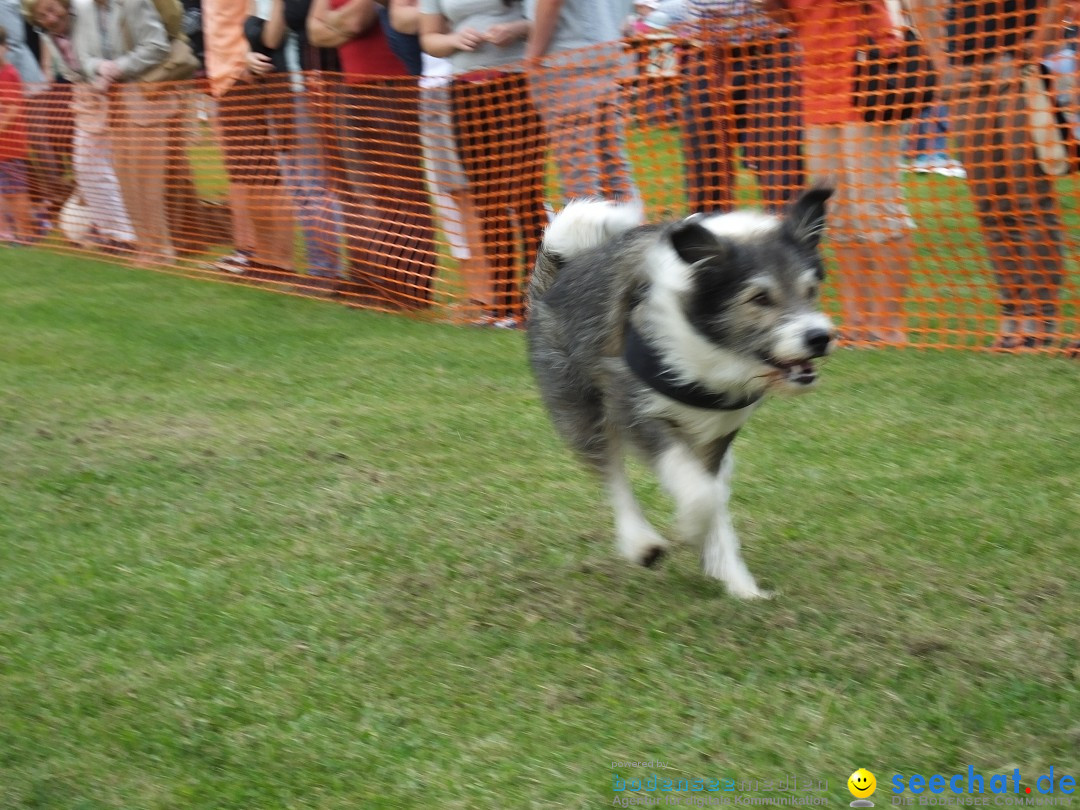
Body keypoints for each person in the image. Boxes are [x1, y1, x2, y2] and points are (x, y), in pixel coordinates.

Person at [908, 0, 1075, 352]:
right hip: (965, 69)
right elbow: (923, 5)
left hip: (1016, 66)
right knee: (989, 203)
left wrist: (1031, 52)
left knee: (1029, 197)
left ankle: (1042, 317)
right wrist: (943, 65)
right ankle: (1012, 314)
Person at [777, 0, 915, 345]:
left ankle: (889, 324)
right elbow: (784, 15)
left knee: (876, 208)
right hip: (818, 78)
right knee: (837, 214)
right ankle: (856, 321)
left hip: (871, 72)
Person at [419, 0, 548, 325]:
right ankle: (500, 306)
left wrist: (514, 29)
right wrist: (453, 41)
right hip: (464, 90)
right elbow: (430, 38)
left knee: (521, 194)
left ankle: (538, 301)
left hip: (516, 84)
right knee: (485, 199)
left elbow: (543, 18)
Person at [308, 0, 437, 309]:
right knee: (368, 193)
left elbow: (356, 21)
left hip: (395, 86)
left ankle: (410, 288)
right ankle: (377, 280)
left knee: (403, 192)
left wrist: (332, 21)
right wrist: (337, 21)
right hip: (352, 87)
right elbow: (314, 32)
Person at [247, 0, 344, 293]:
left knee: (315, 184)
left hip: (307, 88)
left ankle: (327, 270)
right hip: (279, 91)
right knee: (297, 186)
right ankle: (318, 266)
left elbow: (273, 35)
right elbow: (265, 38)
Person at [26, 0, 137, 254]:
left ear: (66, 6)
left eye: (53, 10)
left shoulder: (87, 15)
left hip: (113, 95)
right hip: (85, 100)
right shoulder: (49, 33)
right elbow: (71, 69)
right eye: (43, 15)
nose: (50, 18)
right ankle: (111, 232)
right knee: (86, 166)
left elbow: (108, 52)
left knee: (102, 167)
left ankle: (123, 234)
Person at [682, 0, 805, 213]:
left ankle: (788, 239)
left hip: (770, 49)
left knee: (778, 162)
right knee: (705, 165)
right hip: (708, 52)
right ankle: (706, 238)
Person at [203, 0, 295, 276]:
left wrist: (246, 56)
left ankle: (275, 259)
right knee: (244, 174)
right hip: (224, 79)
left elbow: (259, 13)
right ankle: (254, 254)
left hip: (245, 76)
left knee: (261, 174)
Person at [524, 0, 639, 202]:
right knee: (612, 165)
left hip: (567, 58)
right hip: (606, 52)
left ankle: (589, 233)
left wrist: (532, 57)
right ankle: (631, 232)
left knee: (579, 172)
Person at [0, 26, 34, 244]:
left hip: (11, 149)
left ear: (5, 48)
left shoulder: (10, 74)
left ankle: (26, 233)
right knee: (2, 193)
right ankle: (5, 232)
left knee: (16, 193)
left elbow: (11, 110)